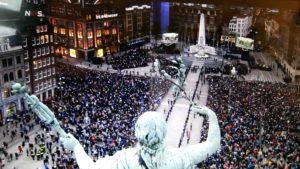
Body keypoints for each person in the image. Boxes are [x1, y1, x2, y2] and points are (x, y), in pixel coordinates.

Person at [60, 107, 221, 169]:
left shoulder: (124, 159)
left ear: (137, 133)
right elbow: (213, 144)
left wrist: (76, 147)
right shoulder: (179, 158)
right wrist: (211, 116)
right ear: (164, 133)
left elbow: (89, 168)